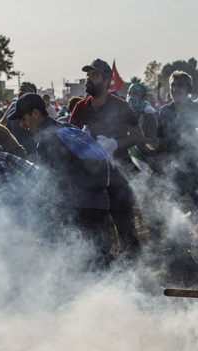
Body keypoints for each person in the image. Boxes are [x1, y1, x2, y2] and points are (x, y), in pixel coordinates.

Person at [9, 92, 112, 263]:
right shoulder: (65, 128)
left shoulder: (47, 140)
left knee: (51, 252)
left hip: (78, 206)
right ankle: (120, 285)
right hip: (99, 202)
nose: (21, 124)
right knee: (95, 256)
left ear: (35, 113)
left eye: (23, 118)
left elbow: (50, 182)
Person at [70, 58, 146, 255]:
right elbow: (69, 138)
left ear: (106, 81)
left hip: (118, 174)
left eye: (94, 76)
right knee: (97, 232)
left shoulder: (120, 106)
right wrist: (82, 142)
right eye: (88, 76)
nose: (89, 80)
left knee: (126, 229)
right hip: (91, 180)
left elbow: (139, 135)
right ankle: (107, 276)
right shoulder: (80, 108)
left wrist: (114, 144)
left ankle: (136, 272)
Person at [156, 70, 198, 210]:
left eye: (180, 85)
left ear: (189, 89)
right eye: (173, 85)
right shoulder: (165, 112)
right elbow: (160, 141)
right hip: (173, 171)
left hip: (197, 170)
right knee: (170, 214)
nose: (175, 89)